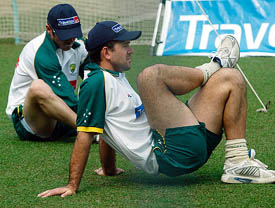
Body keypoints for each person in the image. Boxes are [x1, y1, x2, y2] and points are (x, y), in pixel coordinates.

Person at [38, 21, 275, 198]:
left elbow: (106, 128)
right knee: (150, 76)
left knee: (231, 79)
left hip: (184, 141)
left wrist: (109, 169)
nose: (131, 50)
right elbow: (85, 133)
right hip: (169, 154)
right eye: (125, 45)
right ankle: (213, 64)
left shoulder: (114, 76)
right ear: (106, 52)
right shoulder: (95, 82)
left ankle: (237, 163)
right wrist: (72, 185)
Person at [6, 4, 88, 141]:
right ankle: (88, 131)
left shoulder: (78, 44)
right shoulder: (40, 53)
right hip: (32, 121)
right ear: (49, 29)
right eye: (65, 35)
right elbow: (67, 98)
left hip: (61, 115)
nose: (71, 39)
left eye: (73, 32)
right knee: (38, 87)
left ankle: (89, 128)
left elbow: (96, 75)